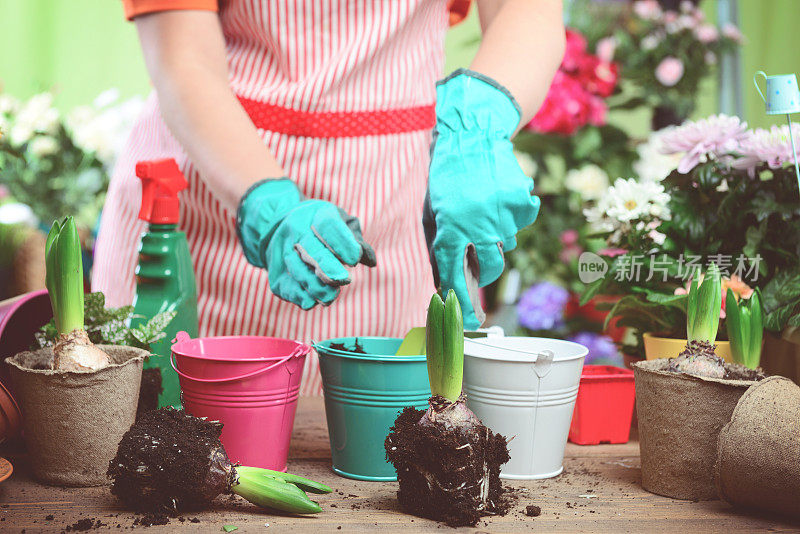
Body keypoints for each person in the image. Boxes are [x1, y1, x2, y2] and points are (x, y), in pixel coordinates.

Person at [93, 0, 565, 394]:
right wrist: (268, 207)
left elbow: (524, 12)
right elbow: (184, 59)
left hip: (394, 205)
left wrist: (476, 125)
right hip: (210, 199)